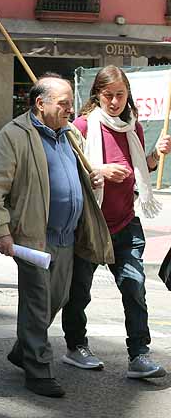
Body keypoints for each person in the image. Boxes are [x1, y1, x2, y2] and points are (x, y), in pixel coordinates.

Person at [0, 74, 112, 398]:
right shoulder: (14, 136)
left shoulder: (68, 135)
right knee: (38, 305)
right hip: (33, 237)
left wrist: (90, 176)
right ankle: (38, 369)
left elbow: (73, 175)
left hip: (67, 236)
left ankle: (23, 349)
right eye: (63, 104)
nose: (70, 110)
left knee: (57, 299)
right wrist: (0, 231)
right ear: (41, 103)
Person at [60, 66, 166, 379]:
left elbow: (139, 171)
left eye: (120, 95)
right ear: (97, 94)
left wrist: (155, 157)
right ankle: (75, 347)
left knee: (134, 287)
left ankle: (139, 354)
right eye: (108, 95)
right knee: (79, 292)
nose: (115, 101)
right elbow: (69, 174)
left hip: (125, 223)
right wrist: (99, 171)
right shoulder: (81, 126)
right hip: (90, 224)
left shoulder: (133, 127)